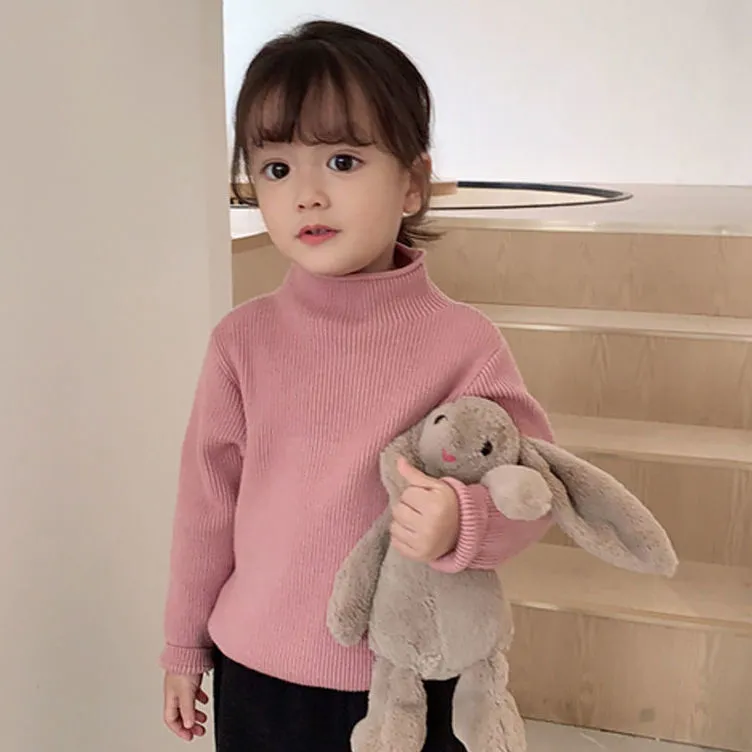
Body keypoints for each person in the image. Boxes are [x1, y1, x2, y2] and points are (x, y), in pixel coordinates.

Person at [160, 18, 554, 752]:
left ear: (412, 184)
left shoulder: (464, 343)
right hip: (258, 673)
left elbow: (534, 493)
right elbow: (206, 510)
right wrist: (184, 646)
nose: (307, 195)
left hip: (411, 676)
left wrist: (463, 521)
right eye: (276, 168)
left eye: (342, 161)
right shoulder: (241, 342)